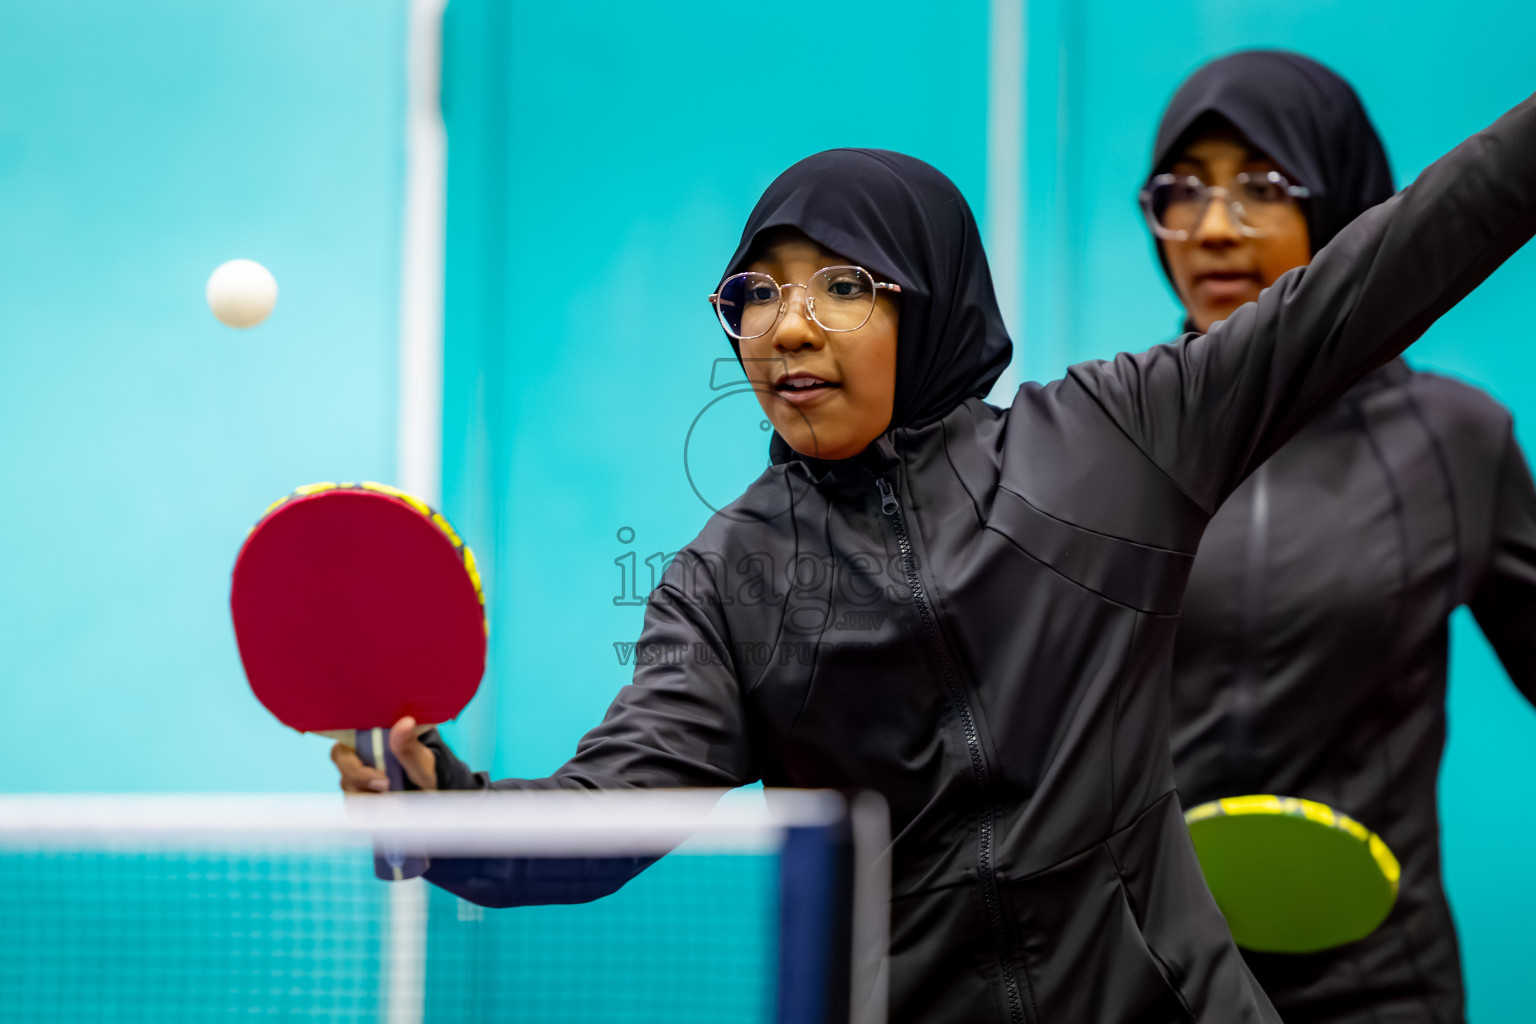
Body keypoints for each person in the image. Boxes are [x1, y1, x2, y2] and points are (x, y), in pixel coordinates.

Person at [333, 90, 1536, 1023]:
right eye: (754, 294)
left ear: (932, 304)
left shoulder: (1116, 442)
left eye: (842, 285)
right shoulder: (727, 581)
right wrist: (446, 807)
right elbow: (604, 820)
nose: (787, 325)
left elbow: (1403, 257)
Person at [1146, 51, 1536, 1022]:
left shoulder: (1458, 440)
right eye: (1181, 191)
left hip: (1379, 983)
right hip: (1153, 976)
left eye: (1263, 186)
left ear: (1343, 204)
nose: (1214, 227)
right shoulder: (1115, 436)